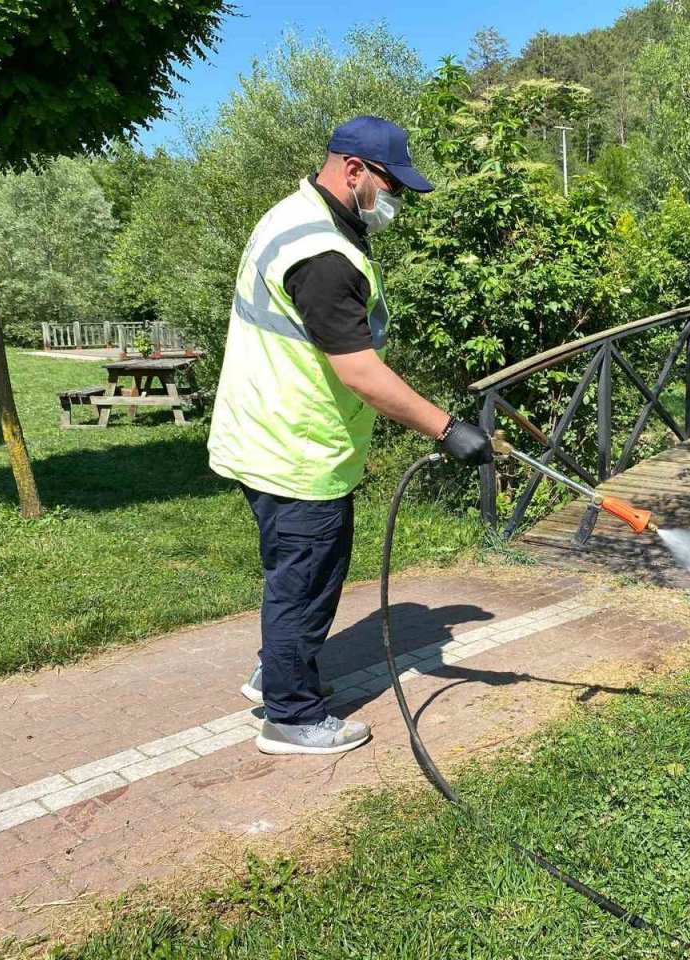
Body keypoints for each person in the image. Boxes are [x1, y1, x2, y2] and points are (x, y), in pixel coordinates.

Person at [207, 116, 493, 756]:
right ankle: (290, 716)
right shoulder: (324, 256)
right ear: (353, 169)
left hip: (269, 431)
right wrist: (447, 429)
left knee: (295, 574)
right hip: (296, 447)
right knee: (306, 578)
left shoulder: (296, 214)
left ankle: (273, 674)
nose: (393, 202)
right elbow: (360, 372)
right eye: (390, 185)